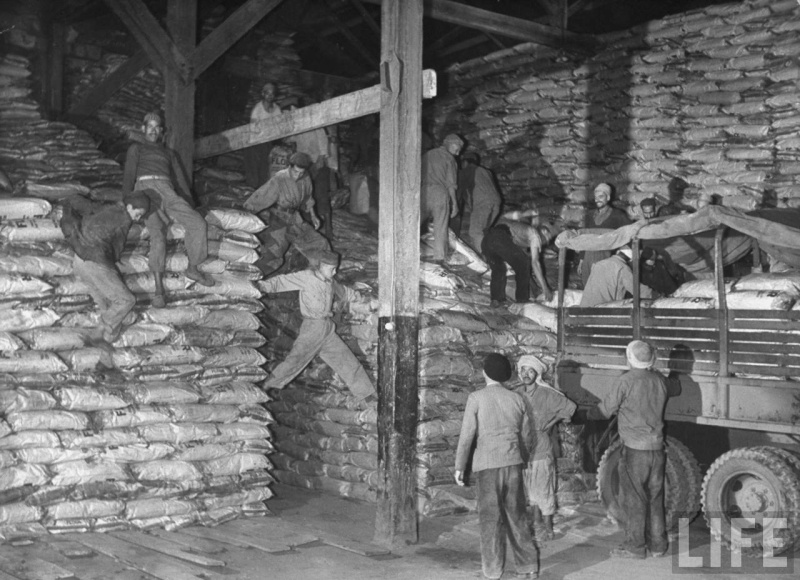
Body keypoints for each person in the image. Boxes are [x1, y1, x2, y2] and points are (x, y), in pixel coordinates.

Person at [455, 353, 539, 580]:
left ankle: (492, 571)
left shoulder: (477, 398)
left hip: (488, 465)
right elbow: (528, 436)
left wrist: (460, 465)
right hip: (512, 464)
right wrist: (521, 457)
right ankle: (528, 568)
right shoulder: (518, 399)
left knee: (490, 519)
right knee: (517, 516)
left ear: (485, 373)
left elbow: (467, 435)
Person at [259, 249, 376, 403]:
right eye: (331, 268)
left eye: (335, 269)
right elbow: (282, 281)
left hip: (327, 329)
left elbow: (345, 292)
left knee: (346, 359)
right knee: (296, 359)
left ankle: (366, 393)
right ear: (321, 266)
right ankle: (265, 386)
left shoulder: (330, 281)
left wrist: (360, 299)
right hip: (312, 327)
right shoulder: (307, 277)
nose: (334, 272)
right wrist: (261, 286)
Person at [588, 340, 669, 559]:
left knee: (634, 499)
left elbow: (605, 411)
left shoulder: (625, 381)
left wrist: (585, 415)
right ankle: (658, 546)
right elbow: (674, 387)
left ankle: (635, 547)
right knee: (655, 498)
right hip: (657, 448)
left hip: (635, 449)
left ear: (629, 358)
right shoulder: (660, 380)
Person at [123, 112, 215, 305]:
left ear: (162, 131)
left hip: (168, 190)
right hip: (146, 190)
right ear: (143, 128)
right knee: (158, 234)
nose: (153, 131)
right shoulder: (136, 149)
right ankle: (158, 290)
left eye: (157, 128)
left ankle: (193, 267)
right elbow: (129, 176)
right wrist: (127, 202)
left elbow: (180, 180)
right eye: (150, 127)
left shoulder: (169, 153)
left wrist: (189, 204)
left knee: (198, 223)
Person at [60, 191, 150, 343]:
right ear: (129, 206)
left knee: (105, 300)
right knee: (126, 300)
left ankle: (109, 338)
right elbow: (117, 247)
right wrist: (113, 264)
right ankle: (102, 330)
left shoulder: (106, 207)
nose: (138, 218)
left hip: (79, 260)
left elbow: (79, 202)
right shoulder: (124, 219)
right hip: (95, 262)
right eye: (138, 213)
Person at [517, 355, 576, 543]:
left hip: (541, 447)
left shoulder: (547, 393)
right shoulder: (517, 393)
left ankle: (549, 528)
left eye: (531, 371)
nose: (526, 374)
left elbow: (570, 407)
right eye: (523, 370)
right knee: (529, 488)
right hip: (522, 447)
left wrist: (552, 422)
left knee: (544, 488)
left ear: (537, 374)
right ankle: (536, 523)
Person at [243, 151, 329, 276]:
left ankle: (322, 275)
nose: (298, 175)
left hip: (295, 218)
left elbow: (308, 198)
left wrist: (313, 215)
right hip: (279, 218)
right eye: (295, 172)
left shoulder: (306, 177)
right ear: (290, 167)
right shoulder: (280, 178)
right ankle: (251, 276)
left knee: (320, 243)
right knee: (274, 254)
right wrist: (246, 213)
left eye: (301, 172)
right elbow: (262, 195)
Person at [482, 210, 557, 307]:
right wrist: (545, 288)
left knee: (499, 269)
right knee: (524, 263)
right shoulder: (534, 235)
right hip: (499, 239)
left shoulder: (516, 230)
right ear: (543, 231)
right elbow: (534, 263)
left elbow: (522, 269)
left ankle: (496, 300)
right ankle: (522, 300)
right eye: (548, 237)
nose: (546, 242)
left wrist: (535, 288)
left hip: (486, 242)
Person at [287, 99, 333, 241]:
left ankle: (329, 231)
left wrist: (313, 171)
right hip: (304, 167)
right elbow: (288, 139)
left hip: (318, 167)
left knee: (321, 198)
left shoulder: (317, 128)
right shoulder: (299, 128)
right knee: (305, 199)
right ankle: (309, 230)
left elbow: (322, 156)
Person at [421, 133, 463, 263]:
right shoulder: (449, 158)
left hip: (423, 191)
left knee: (415, 223)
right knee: (441, 226)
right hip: (439, 192)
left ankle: (408, 251)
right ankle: (439, 258)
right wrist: (454, 204)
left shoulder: (427, 155)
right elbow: (451, 184)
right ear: (451, 144)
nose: (457, 153)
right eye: (457, 150)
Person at [580, 183, 631, 286]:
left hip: (607, 258)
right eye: (595, 197)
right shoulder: (589, 216)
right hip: (588, 258)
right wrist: (581, 260)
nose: (597, 200)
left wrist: (618, 259)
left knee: (604, 290)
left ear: (608, 197)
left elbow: (629, 236)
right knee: (588, 288)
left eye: (601, 196)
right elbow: (583, 238)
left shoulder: (618, 215)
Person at [456, 151, 502, 252]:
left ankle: (486, 260)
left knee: (475, 231)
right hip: (496, 203)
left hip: (483, 204)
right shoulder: (486, 171)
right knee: (484, 231)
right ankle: (493, 258)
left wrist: (455, 208)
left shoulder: (467, 171)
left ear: (465, 162)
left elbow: (459, 191)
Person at [580, 247, 655, 307]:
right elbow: (636, 289)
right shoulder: (622, 267)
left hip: (585, 308)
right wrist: (654, 295)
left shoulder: (599, 264)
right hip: (602, 311)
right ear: (631, 259)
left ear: (618, 252)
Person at [244, 81, 282, 189]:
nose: (270, 96)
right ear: (263, 94)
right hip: (255, 143)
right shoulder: (258, 109)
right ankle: (252, 193)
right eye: (267, 93)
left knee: (264, 170)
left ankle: (260, 194)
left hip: (267, 143)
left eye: (272, 93)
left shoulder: (276, 109)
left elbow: (280, 125)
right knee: (253, 170)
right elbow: (253, 128)